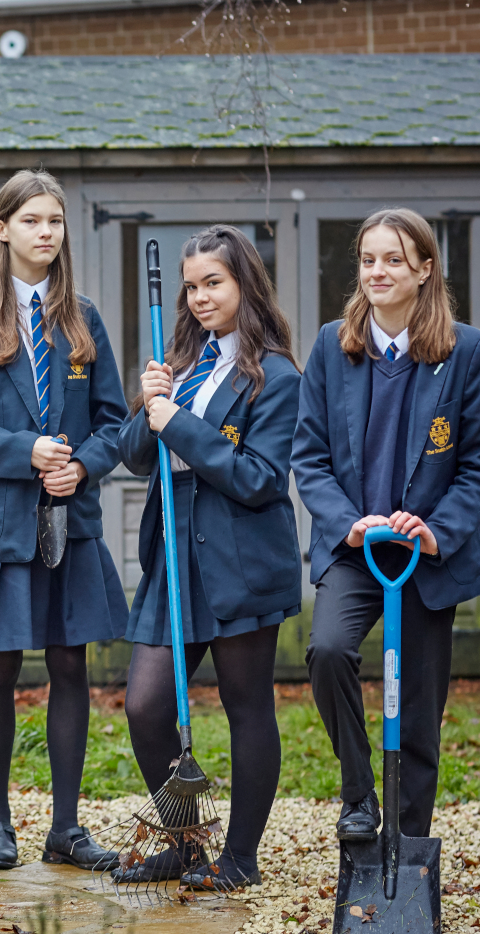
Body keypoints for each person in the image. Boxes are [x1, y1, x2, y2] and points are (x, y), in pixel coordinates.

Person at [0, 169, 129, 871]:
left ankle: (67, 828)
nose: (46, 232)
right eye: (32, 221)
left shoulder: (83, 319)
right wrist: (26, 450)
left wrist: (82, 466)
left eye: (55, 221)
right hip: (3, 525)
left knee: (69, 667)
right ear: (2, 230)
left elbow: (114, 423)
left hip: (69, 523)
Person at [293, 207, 480, 847]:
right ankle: (359, 795)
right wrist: (349, 523)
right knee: (328, 650)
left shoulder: (465, 352)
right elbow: (310, 456)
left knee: (416, 708)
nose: (377, 271)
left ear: (425, 270)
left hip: (422, 555)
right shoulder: (333, 345)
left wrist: (436, 529)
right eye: (368, 259)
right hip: (356, 548)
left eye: (393, 259)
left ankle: (410, 845)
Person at [116, 225, 303, 890]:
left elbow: (257, 478)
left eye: (213, 283)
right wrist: (151, 401)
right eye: (191, 286)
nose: (199, 298)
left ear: (244, 284)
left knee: (246, 703)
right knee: (143, 704)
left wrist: (179, 424)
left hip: (243, 560)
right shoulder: (184, 365)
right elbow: (137, 454)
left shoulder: (276, 377)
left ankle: (241, 857)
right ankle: (187, 843)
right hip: (177, 558)